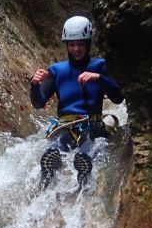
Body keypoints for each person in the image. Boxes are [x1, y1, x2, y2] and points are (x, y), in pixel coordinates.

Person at [30, 15, 124, 189]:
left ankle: (84, 169)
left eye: (80, 44)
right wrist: (35, 84)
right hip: (65, 126)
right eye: (72, 44)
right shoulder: (57, 70)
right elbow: (38, 103)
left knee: (89, 142)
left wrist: (99, 78)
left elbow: (118, 98)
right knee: (57, 145)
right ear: (66, 45)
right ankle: (49, 173)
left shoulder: (101, 66)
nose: (76, 49)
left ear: (88, 43)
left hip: (92, 123)